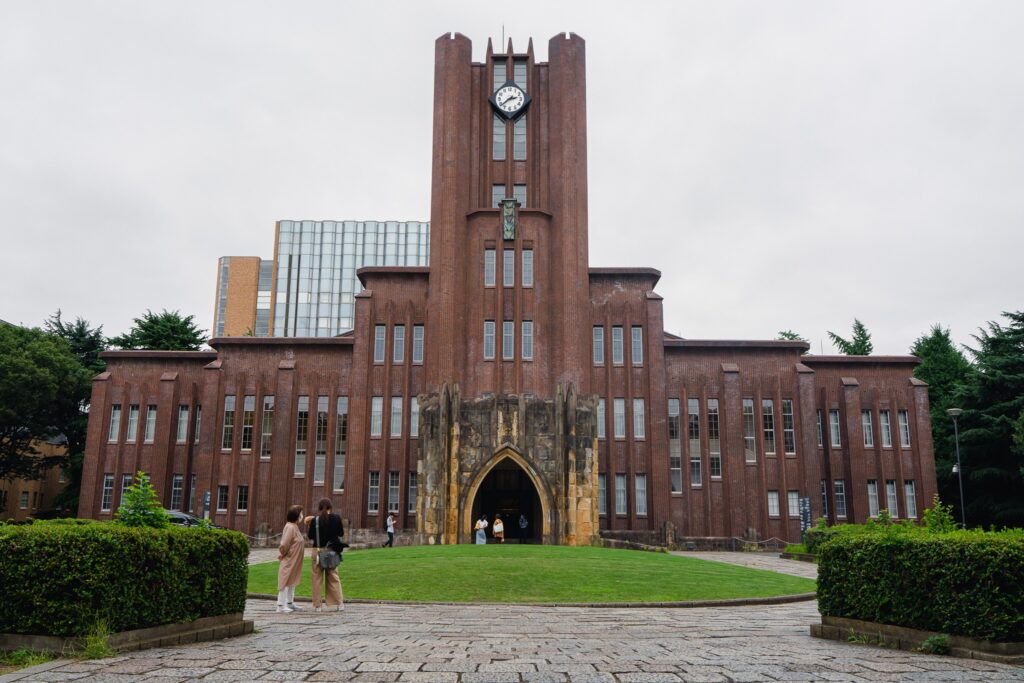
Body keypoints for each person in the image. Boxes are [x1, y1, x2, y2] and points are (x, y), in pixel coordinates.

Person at [306, 498, 344, 612]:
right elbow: (341, 533)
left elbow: (310, 536)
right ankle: (338, 603)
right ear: (330, 507)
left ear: (319, 507)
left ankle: (318, 606)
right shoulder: (336, 518)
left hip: (317, 551)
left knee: (316, 578)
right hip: (331, 550)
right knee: (333, 577)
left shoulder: (315, 520)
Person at [276, 505, 305, 613]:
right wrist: (283, 554)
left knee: (292, 581)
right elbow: (284, 544)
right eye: (301, 513)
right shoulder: (290, 527)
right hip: (289, 559)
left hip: (295, 561)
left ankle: (289, 603)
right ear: (296, 515)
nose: (302, 515)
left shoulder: (295, 526)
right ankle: (280, 605)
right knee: (285, 580)